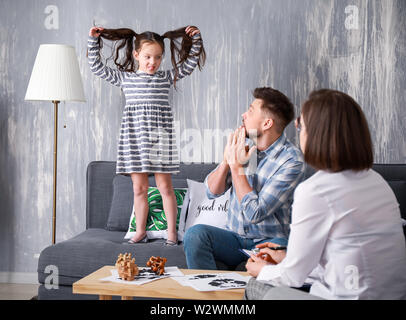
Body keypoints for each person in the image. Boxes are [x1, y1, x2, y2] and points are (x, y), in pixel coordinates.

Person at [245, 89, 406, 300]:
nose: (298, 130)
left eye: (301, 124)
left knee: (254, 285)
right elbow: (344, 261)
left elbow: (292, 277)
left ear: (317, 133)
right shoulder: (377, 181)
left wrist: (262, 271)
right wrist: (287, 259)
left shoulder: (315, 190)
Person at [87, 25, 206, 245]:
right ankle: (140, 231)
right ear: (136, 55)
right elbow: (96, 67)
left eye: (158, 57)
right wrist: (93, 41)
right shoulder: (126, 79)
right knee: (139, 189)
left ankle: (172, 233)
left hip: (160, 141)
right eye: (148, 56)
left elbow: (189, 65)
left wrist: (196, 38)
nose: (153, 62)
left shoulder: (166, 78)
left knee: (165, 188)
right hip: (134, 141)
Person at [183, 87, 306, 269]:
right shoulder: (245, 144)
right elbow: (211, 192)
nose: (244, 115)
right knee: (195, 235)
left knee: (281, 246)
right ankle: (209, 294)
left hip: (269, 241)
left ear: (267, 124)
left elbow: (254, 213)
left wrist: (236, 167)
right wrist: (227, 160)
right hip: (233, 238)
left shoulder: (291, 161)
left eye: (250, 110)